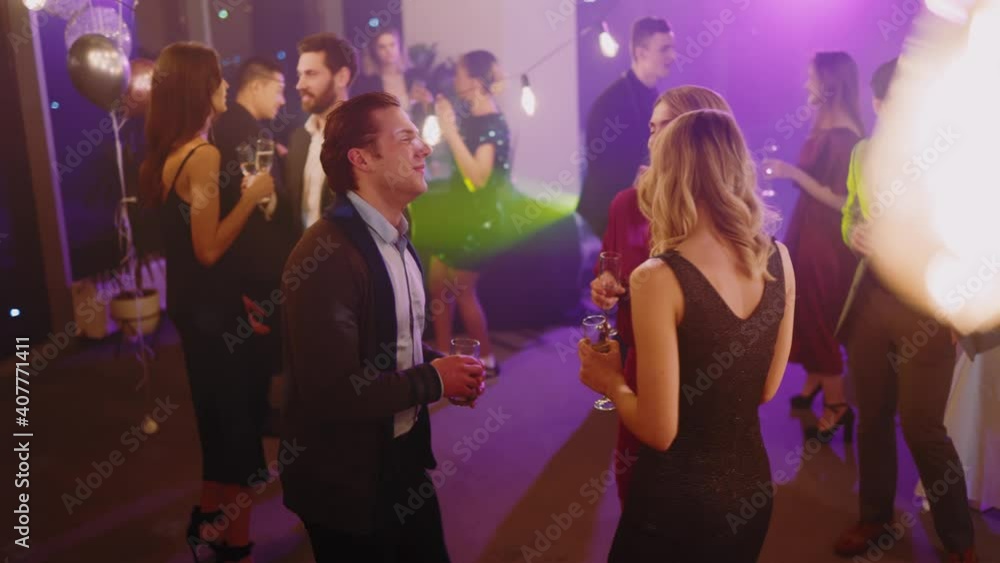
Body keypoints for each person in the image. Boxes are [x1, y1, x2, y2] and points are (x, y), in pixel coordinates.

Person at [579, 109, 795, 562]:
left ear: (668, 177)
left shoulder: (657, 277)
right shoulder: (779, 259)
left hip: (675, 503)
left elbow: (660, 431)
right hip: (750, 491)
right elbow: (766, 389)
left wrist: (610, 381)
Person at [279, 92, 487, 562]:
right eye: (406, 138)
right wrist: (434, 379)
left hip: (402, 463)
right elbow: (333, 391)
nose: (425, 148)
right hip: (346, 482)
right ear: (362, 159)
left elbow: (391, 345)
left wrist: (445, 368)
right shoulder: (325, 254)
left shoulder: (397, 235)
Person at [834, 58, 978, 562]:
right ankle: (874, 517)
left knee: (922, 427)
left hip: (927, 306)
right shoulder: (862, 153)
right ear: (877, 105)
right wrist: (853, 232)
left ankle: (959, 541)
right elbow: (850, 211)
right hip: (871, 300)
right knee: (871, 417)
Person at [139, 42, 275, 563]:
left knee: (217, 421)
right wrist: (252, 196)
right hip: (212, 316)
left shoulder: (167, 154)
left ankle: (207, 520)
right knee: (236, 427)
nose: (225, 86)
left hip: (197, 308)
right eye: (218, 78)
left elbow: (191, 255)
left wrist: (236, 300)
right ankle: (234, 545)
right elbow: (208, 248)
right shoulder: (204, 155)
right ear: (200, 88)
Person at [589, 85, 733, 506]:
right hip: (642, 365)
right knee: (639, 496)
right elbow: (610, 268)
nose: (653, 139)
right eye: (651, 128)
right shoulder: (627, 204)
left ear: (700, 133)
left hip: (712, 377)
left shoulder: (724, 221)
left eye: (664, 127)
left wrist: (609, 382)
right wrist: (606, 287)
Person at [763, 51, 863, 440]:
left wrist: (791, 173)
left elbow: (841, 200)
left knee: (818, 315)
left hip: (825, 241)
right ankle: (815, 382)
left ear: (829, 84)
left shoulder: (847, 137)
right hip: (809, 232)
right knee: (805, 308)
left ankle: (838, 405)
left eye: (812, 78)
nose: (806, 84)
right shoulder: (826, 125)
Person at [212, 56, 293, 436]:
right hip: (256, 258)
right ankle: (258, 416)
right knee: (259, 342)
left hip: (239, 257)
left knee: (252, 344)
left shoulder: (225, 126)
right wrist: (277, 198)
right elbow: (259, 201)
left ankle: (255, 413)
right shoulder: (249, 133)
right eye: (279, 89)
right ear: (257, 86)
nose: (283, 100)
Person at [427, 50, 511, 376]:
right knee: (437, 283)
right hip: (457, 215)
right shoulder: (471, 118)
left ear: (474, 81)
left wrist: (449, 131)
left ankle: (486, 359)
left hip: (480, 221)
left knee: (462, 290)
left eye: (459, 75)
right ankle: (443, 356)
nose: (455, 81)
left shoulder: (492, 123)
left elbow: (477, 178)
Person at [576, 16, 676, 238]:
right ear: (641, 53)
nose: (672, 56)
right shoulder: (610, 104)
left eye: (672, 48)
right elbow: (604, 173)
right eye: (664, 49)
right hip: (607, 221)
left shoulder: (655, 97)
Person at [285, 33, 358, 240]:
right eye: (300, 75)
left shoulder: (364, 138)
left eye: (310, 74)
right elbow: (295, 209)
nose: (300, 85)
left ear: (341, 77)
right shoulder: (299, 138)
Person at [351, 26, 434, 123]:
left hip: (416, 128)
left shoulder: (413, 77)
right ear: (374, 52)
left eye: (392, 45)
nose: (388, 50)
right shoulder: (368, 84)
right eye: (382, 47)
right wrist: (409, 101)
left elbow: (429, 113)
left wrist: (427, 102)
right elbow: (368, 116)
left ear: (399, 47)